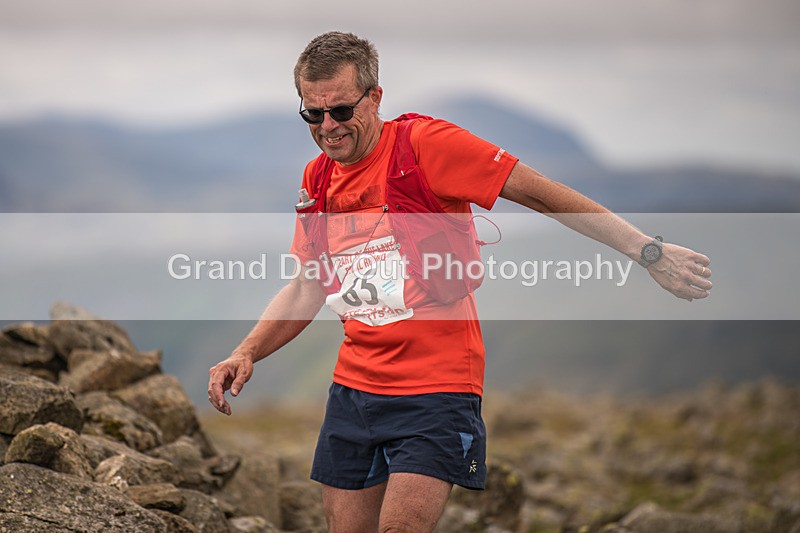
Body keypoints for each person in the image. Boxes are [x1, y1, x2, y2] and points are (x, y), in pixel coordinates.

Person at [208, 31, 712, 533]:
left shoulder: (426, 146)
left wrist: (646, 250)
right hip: (354, 392)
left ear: (375, 97)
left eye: (341, 111)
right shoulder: (317, 178)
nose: (328, 127)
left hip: (438, 389)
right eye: (312, 115)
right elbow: (307, 285)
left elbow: (540, 193)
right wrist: (247, 351)